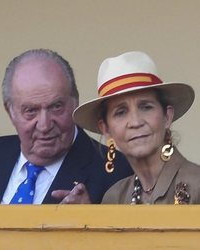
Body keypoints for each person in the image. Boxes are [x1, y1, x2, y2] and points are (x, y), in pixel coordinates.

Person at [0, 49, 133, 204]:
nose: (44, 125)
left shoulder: (118, 172)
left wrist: (90, 223)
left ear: (75, 102)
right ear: (10, 112)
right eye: (30, 111)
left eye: (56, 107)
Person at [73, 51, 200, 204]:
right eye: (121, 112)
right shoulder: (114, 198)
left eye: (146, 107)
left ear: (167, 116)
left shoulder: (196, 185)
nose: (135, 122)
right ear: (106, 129)